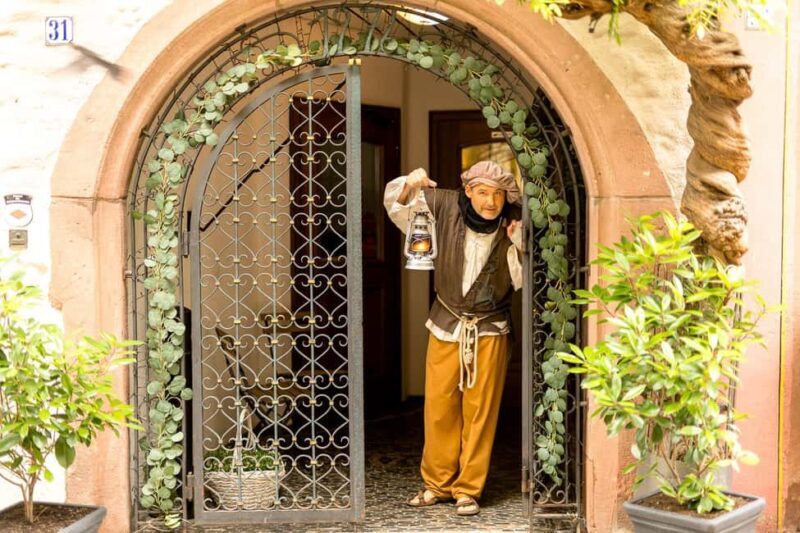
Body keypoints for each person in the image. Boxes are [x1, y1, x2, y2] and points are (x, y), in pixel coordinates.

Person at [383, 160, 523, 517]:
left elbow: (524, 280)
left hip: (490, 329)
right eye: (482, 193)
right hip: (446, 324)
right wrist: (409, 185)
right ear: (468, 191)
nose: (490, 202)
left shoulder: (516, 222)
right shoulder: (442, 205)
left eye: (497, 194)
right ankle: (436, 484)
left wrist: (520, 245)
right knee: (439, 408)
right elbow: (398, 209)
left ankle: (467, 489)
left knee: (480, 412)